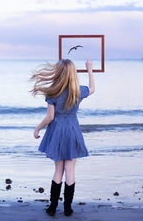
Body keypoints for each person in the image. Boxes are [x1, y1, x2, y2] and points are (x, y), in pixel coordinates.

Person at [30, 58, 95, 216]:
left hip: (57, 132)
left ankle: (52, 207)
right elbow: (92, 88)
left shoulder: (53, 92)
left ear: (58, 73)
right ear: (73, 73)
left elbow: (50, 117)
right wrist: (89, 69)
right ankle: (67, 208)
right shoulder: (77, 90)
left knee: (58, 170)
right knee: (70, 170)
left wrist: (37, 128)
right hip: (72, 131)